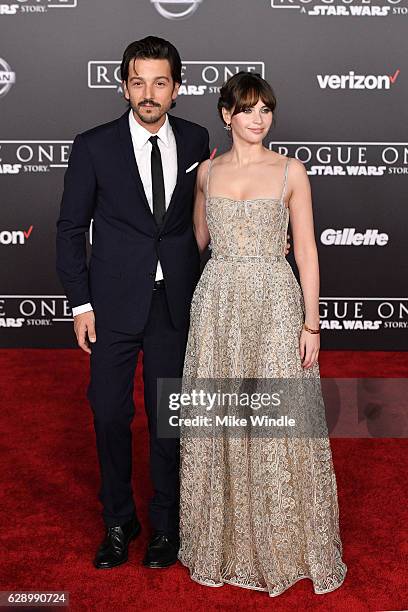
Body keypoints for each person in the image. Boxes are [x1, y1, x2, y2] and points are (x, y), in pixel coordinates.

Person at [178, 72, 348, 596]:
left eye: (266, 109)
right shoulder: (206, 174)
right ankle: (223, 538)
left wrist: (312, 322)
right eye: (247, 109)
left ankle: (283, 541)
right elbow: (198, 239)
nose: (258, 119)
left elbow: (307, 251)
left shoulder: (291, 172)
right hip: (219, 303)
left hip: (275, 301)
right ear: (227, 115)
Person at [56, 36, 212, 570]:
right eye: (138, 81)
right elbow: (70, 228)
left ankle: (166, 524)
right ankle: (119, 521)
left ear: (176, 87)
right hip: (112, 306)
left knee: (169, 419)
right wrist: (80, 305)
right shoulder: (94, 145)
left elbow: (207, 216)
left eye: (160, 82)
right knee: (108, 414)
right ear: (124, 85)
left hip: (175, 304)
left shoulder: (196, 138)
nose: (148, 93)